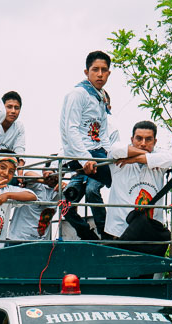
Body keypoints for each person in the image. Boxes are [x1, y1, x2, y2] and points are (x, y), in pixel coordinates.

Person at [59, 50, 118, 240]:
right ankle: (99, 234)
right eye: (95, 70)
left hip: (98, 152)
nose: (100, 74)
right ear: (86, 72)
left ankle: (108, 231)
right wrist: (85, 159)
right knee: (67, 202)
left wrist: (111, 155)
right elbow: (71, 129)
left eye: (104, 70)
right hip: (81, 155)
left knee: (120, 174)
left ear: (109, 73)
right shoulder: (78, 94)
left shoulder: (101, 97)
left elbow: (103, 134)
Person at [104, 119, 172, 254]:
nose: (143, 143)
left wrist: (136, 158)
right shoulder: (118, 161)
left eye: (148, 139)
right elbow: (115, 149)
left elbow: (171, 158)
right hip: (119, 231)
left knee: (145, 275)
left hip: (148, 232)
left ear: (155, 142)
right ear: (131, 139)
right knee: (116, 274)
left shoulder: (159, 162)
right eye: (139, 139)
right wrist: (145, 155)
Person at [7, 162, 59, 242]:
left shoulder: (60, 191)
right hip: (18, 239)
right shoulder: (37, 185)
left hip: (42, 242)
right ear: (43, 171)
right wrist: (45, 180)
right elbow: (28, 174)